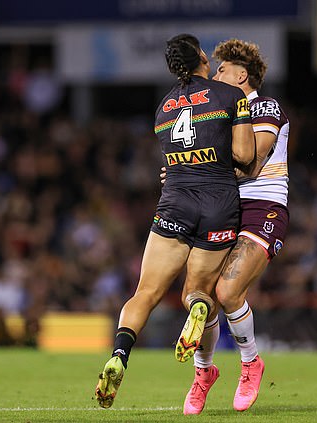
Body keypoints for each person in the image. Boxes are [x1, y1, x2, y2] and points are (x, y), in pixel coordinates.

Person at [94, 33, 255, 409]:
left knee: (145, 292)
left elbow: (173, 161)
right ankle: (198, 306)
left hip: (175, 203)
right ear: (201, 56)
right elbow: (245, 155)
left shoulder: (164, 107)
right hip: (218, 202)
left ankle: (119, 354)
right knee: (197, 292)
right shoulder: (230, 96)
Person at [179, 38, 290, 415]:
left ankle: (250, 362)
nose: (215, 74)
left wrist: (199, 168)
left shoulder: (265, 106)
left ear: (242, 74)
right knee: (200, 296)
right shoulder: (220, 112)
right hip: (222, 206)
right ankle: (204, 373)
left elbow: (253, 164)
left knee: (228, 291)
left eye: (222, 69)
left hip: (263, 207)